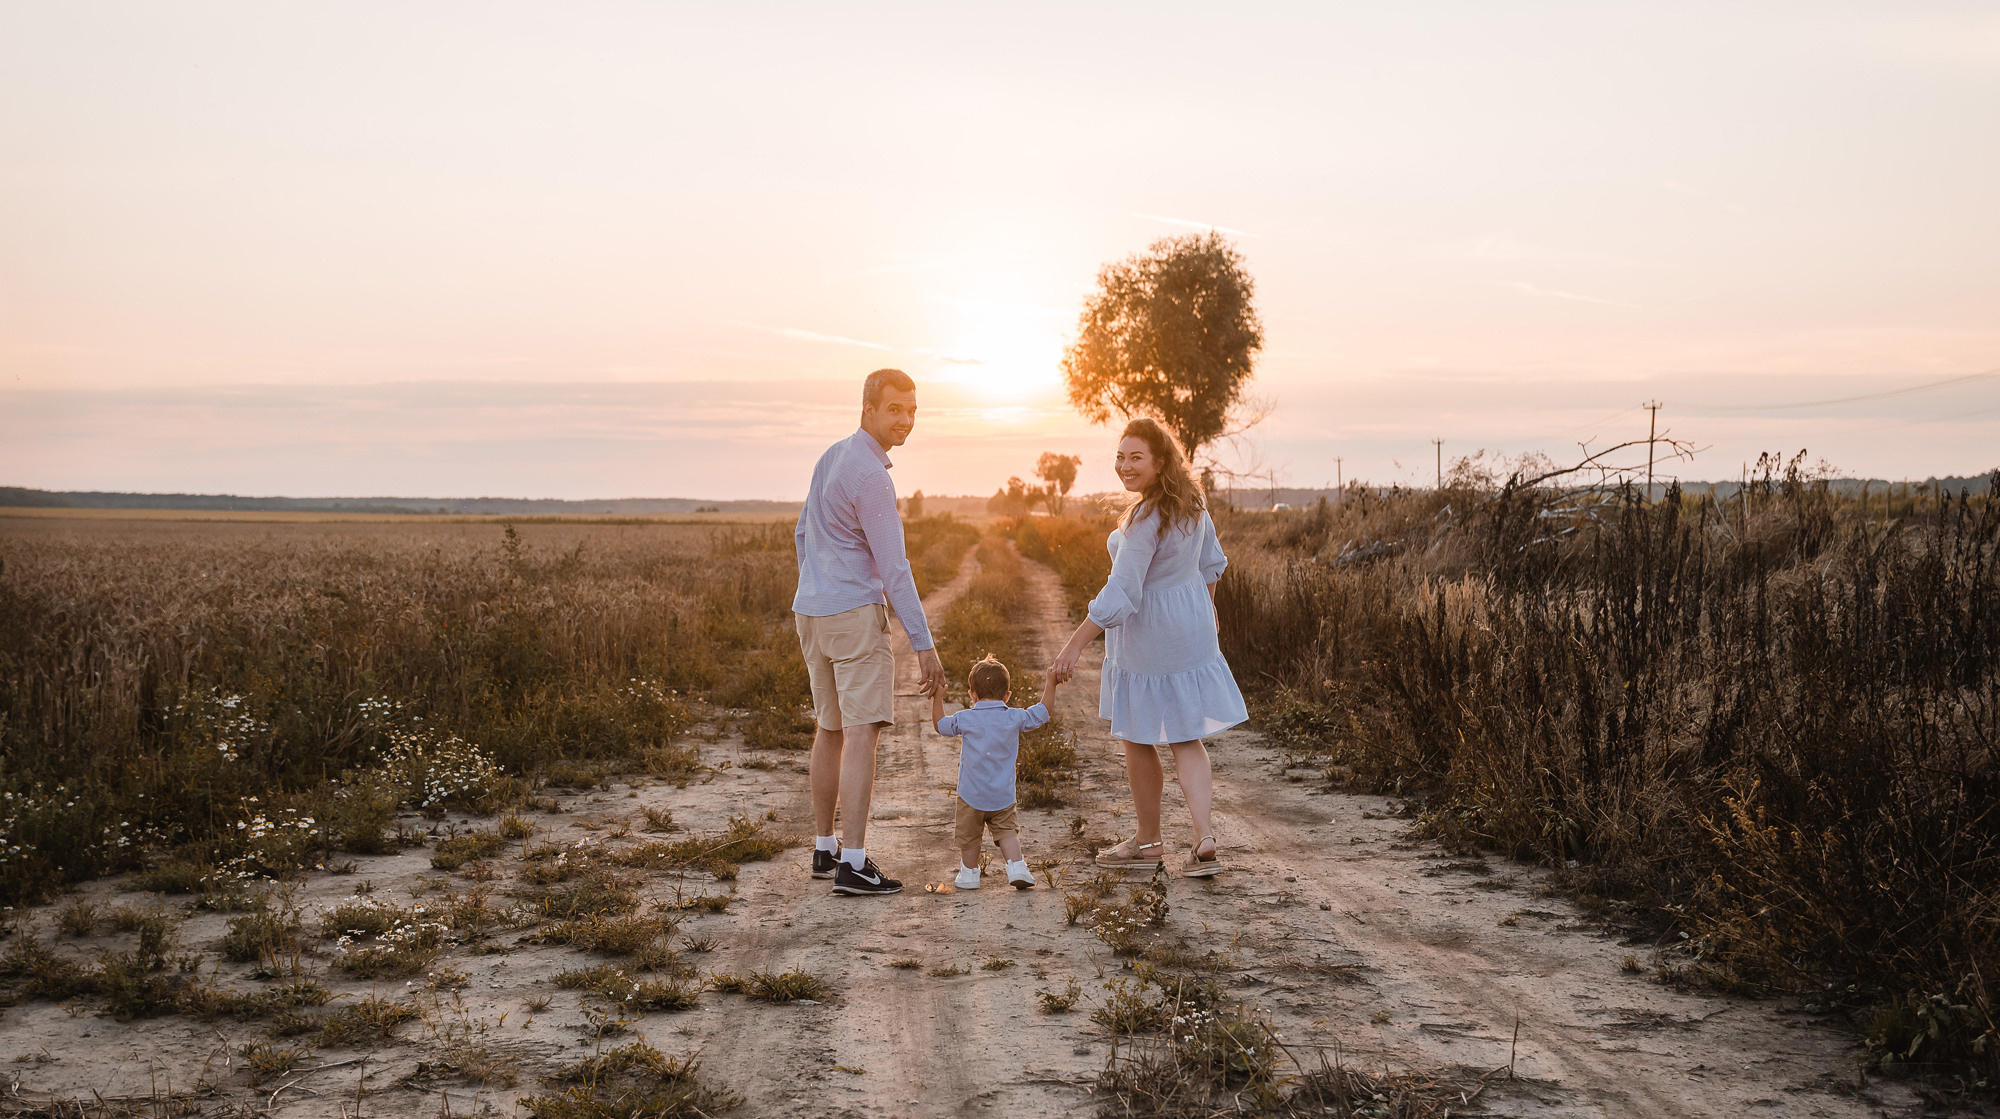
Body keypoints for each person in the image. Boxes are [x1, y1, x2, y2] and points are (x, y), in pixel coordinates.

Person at [1051, 417, 1247, 877]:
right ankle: (1203, 836)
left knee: (1139, 736)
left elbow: (1122, 593)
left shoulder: (1143, 519)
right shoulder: (1194, 505)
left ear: (1160, 463)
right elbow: (1212, 566)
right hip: (1189, 626)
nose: (1125, 465)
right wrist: (1208, 611)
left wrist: (1074, 645)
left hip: (1148, 634)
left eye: (1136, 456)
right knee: (1186, 735)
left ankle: (1148, 842)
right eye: (1120, 456)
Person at [794, 368, 948, 897]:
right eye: (894, 409)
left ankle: (824, 846)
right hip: (853, 612)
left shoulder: (831, 457)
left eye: (911, 409)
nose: (905, 419)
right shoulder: (872, 476)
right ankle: (854, 864)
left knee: (830, 727)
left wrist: (815, 582)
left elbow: (802, 531)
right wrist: (925, 646)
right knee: (861, 730)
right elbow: (895, 569)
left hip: (812, 611)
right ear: (868, 411)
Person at [931, 655, 1059, 891]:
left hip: (971, 795)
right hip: (1002, 796)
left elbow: (940, 725)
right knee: (1008, 833)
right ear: (1007, 696)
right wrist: (1051, 683)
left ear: (972, 695)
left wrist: (938, 696)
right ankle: (1017, 867)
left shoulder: (965, 718)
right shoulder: (1014, 716)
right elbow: (1042, 712)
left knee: (970, 838)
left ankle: (969, 874)